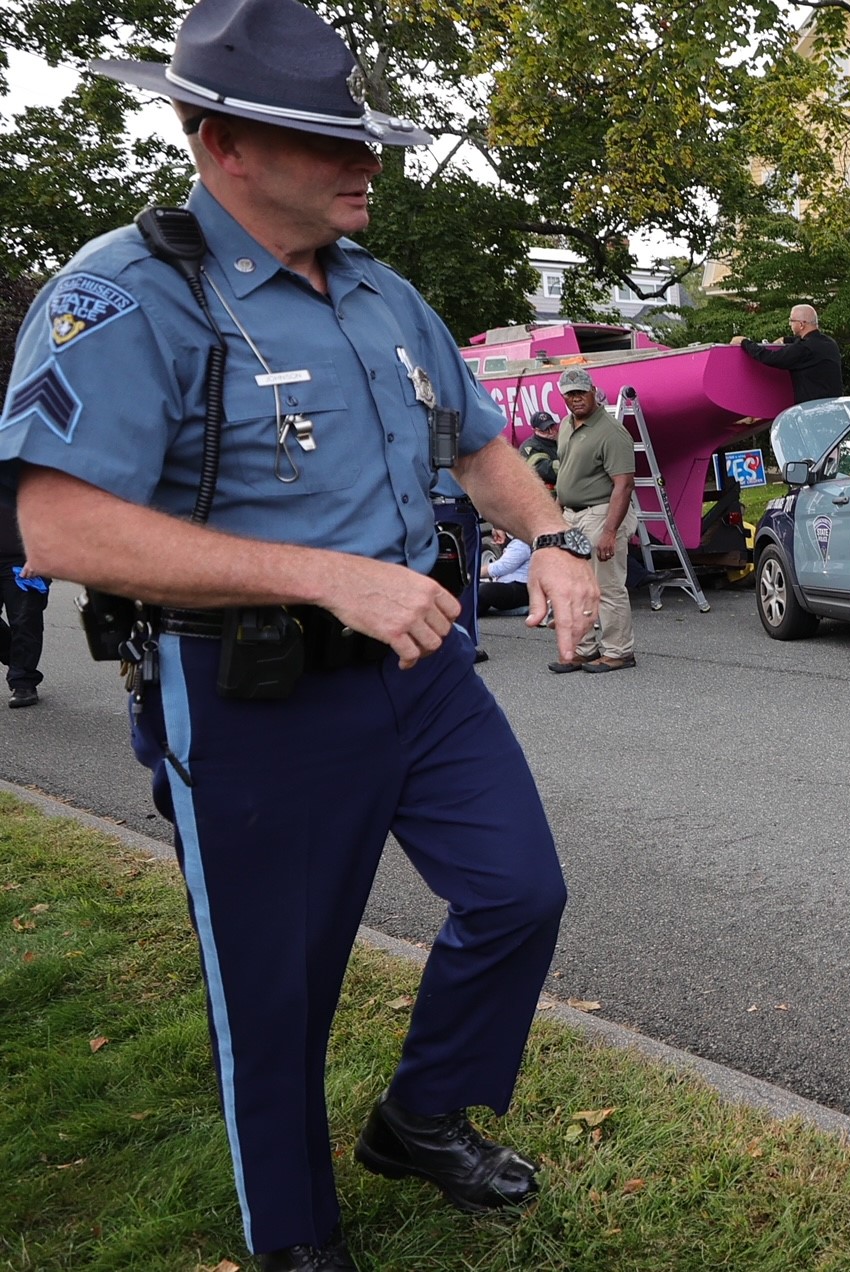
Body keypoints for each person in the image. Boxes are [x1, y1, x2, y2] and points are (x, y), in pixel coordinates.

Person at [0, 1, 602, 1268]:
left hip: (424, 673)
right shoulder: (124, 292)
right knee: (274, 1003)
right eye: (322, 140)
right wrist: (328, 578)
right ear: (216, 140)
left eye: (363, 136)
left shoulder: (384, 292)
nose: (363, 164)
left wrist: (548, 538)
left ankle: (421, 1115)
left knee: (519, 894)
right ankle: (299, 1242)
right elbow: (55, 529)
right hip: (246, 691)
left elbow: (481, 438)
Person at [550, 367, 638, 673]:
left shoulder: (612, 432)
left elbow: (624, 484)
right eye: (569, 394)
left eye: (580, 392)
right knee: (575, 586)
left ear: (593, 391)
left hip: (600, 512)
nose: (575, 399)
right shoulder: (565, 425)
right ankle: (584, 649)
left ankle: (618, 651)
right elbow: (565, 473)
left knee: (607, 586)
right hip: (571, 514)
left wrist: (610, 532)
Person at [728, 303, 843, 402]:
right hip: (833, 406)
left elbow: (771, 358)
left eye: (791, 320)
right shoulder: (829, 343)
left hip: (812, 410)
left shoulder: (804, 349)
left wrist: (744, 342)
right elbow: (805, 341)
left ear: (801, 324)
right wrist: (786, 339)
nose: (789, 324)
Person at [0, 478, 48, 708]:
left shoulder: (26, 464)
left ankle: (23, 682)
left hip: (23, 559)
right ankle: (18, 658)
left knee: (25, 617)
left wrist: (40, 554)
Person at [478, 528, 532, 615]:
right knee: (474, 588)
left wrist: (474, 574)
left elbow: (502, 567)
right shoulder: (518, 540)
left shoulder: (522, 542)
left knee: (483, 590)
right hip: (512, 585)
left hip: (521, 587)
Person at [521, 409, 559, 492]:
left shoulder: (560, 439)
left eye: (552, 426)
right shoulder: (530, 447)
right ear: (535, 430)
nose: (551, 432)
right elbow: (545, 470)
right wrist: (571, 465)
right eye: (545, 429)